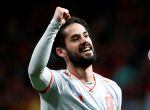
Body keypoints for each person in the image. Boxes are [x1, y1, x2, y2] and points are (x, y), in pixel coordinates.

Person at [28, 6, 122, 110]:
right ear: (60, 51)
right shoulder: (58, 84)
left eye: (85, 35)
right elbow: (35, 72)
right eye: (75, 38)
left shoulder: (112, 89)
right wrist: (55, 24)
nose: (84, 41)